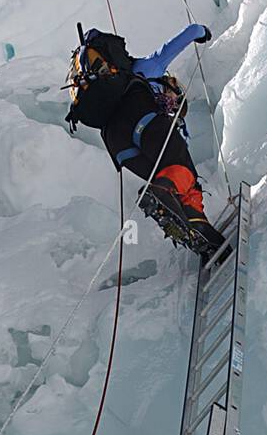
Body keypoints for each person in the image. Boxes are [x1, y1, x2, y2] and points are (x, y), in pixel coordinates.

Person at [65, 22, 225, 259]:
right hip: (140, 118)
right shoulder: (147, 68)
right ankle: (162, 196)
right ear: (169, 83)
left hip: (119, 147)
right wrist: (202, 32)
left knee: (177, 179)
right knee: (179, 169)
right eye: (174, 93)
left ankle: (198, 229)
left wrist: (200, 33)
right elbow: (186, 35)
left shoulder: (118, 82)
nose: (172, 101)